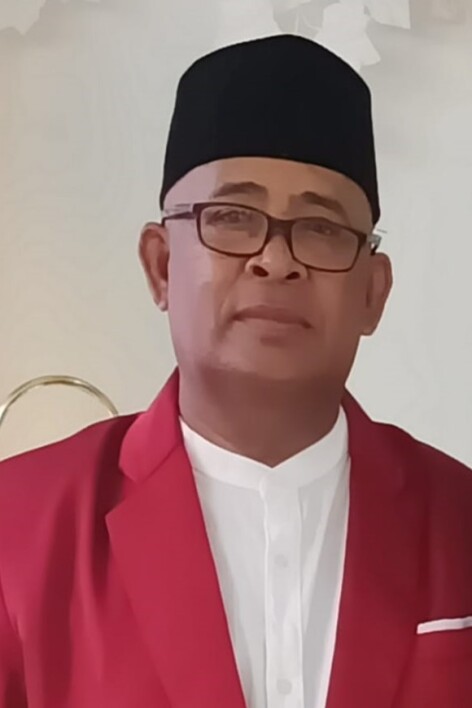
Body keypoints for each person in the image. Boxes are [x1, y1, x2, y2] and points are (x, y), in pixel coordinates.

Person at [0, 34, 471, 708]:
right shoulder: (17, 527)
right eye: (230, 217)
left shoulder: (459, 521)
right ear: (162, 265)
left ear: (373, 292)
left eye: (322, 228)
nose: (276, 261)